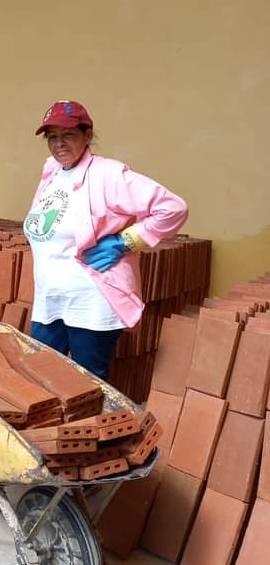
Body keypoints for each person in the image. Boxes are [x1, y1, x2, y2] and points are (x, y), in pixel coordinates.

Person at [24, 100, 188, 380]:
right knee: (42, 378)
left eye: (68, 135)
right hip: (50, 300)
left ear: (87, 136)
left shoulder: (108, 174)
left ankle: (90, 426)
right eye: (52, 137)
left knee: (89, 385)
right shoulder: (52, 172)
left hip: (90, 302)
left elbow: (173, 208)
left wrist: (126, 241)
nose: (59, 144)